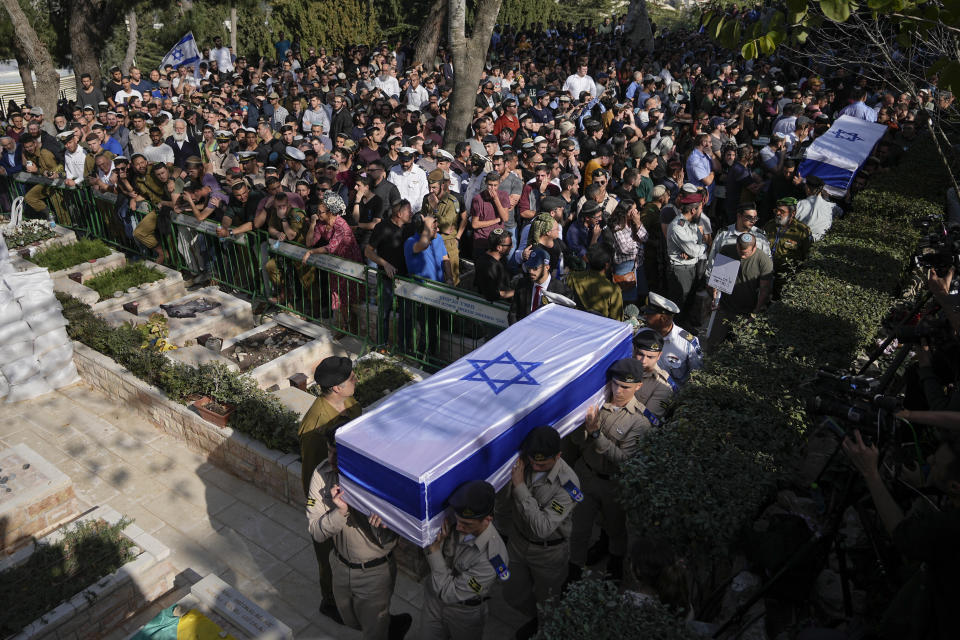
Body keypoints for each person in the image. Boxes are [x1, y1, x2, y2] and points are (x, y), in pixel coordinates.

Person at [843, 430, 960, 639]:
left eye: (935, 465)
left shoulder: (948, 528)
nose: (929, 459)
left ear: (955, 487)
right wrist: (927, 485)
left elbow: (902, 534)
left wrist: (870, 473)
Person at [306, 424, 413, 640]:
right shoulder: (323, 472)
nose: (332, 460)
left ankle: (387, 628)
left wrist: (383, 524)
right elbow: (316, 532)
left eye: (339, 455)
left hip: (373, 574)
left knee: (374, 632)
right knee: (351, 620)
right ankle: (391, 626)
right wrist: (340, 511)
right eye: (329, 451)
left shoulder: (378, 480)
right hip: (339, 565)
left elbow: (394, 535)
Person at [569, 358, 654, 582]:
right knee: (578, 529)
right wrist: (580, 427)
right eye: (615, 384)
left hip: (614, 483)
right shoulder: (597, 401)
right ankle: (574, 571)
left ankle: (615, 566)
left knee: (615, 528)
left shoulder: (641, 421)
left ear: (638, 386)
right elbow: (578, 442)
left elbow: (625, 460)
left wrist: (597, 434)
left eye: (625, 387)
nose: (618, 390)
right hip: (586, 475)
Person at [499, 426, 582, 640]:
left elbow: (543, 528)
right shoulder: (523, 465)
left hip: (548, 553)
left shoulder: (569, 485)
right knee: (511, 594)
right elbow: (502, 505)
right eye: (532, 461)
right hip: (517, 543)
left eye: (542, 464)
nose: (534, 467)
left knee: (548, 601)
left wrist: (519, 486)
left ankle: (546, 629)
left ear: (558, 456)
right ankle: (537, 617)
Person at [298, 356, 361, 623]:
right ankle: (330, 601)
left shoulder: (350, 402)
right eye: (351, 378)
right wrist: (329, 509)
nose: (355, 378)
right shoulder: (315, 427)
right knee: (328, 554)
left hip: (351, 489)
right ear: (336, 387)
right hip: (329, 497)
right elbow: (315, 472)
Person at [421, 480, 509, 640]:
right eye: (458, 520)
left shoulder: (493, 558)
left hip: (463, 612)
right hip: (433, 600)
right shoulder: (456, 522)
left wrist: (434, 551)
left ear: (487, 520)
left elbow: (449, 593)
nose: (459, 527)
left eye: (467, 524)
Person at [642, 292, 703, 385]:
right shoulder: (642, 334)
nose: (644, 316)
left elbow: (697, 374)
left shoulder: (687, 342)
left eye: (649, 314)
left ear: (663, 319)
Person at [421, 168, 465, 285]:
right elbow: (423, 220)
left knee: (452, 280)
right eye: (429, 187)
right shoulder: (427, 198)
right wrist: (441, 228)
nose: (431, 190)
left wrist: (435, 209)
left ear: (442, 185)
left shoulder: (452, 202)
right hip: (430, 242)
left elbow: (447, 225)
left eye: (434, 187)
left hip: (447, 243)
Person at [507, 248, 572, 324]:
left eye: (535, 268)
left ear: (547, 267)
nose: (531, 271)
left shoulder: (562, 291)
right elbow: (513, 314)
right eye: (529, 267)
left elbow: (563, 322)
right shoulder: (522, 284)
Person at [566, 243, 623, 321]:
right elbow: (617, 321)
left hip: (575, 324)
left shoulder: (572, 277)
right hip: (601, 330)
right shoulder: (613, 290)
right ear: (607, 265)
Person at [631, 327, 677, 420]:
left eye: (650, 357)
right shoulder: (623, 365)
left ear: (659, 355)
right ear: (634, 350)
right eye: (640, 354)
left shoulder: (663, 386)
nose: (644, 361)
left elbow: (645, 422)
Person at [763, 196, 812, 272]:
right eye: (776, 210)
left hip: (788, 275)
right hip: (766, 270)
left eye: (782, 211)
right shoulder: (769, 225)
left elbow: (808, 255)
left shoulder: (802, 230)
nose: (778, 213)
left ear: (793, 213)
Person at [473, 228, 514, 302]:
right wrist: (517, 292)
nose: (512, 247)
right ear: (499, 247)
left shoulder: (501, 258)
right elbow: (492, 295)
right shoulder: (487, 267)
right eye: (509, 245)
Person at [795, 175, 841, 241]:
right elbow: (841, 212)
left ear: (807, 189)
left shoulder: (799, 205)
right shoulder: (831, 206)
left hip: (801, 242)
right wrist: (827, 199)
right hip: (822, 245)